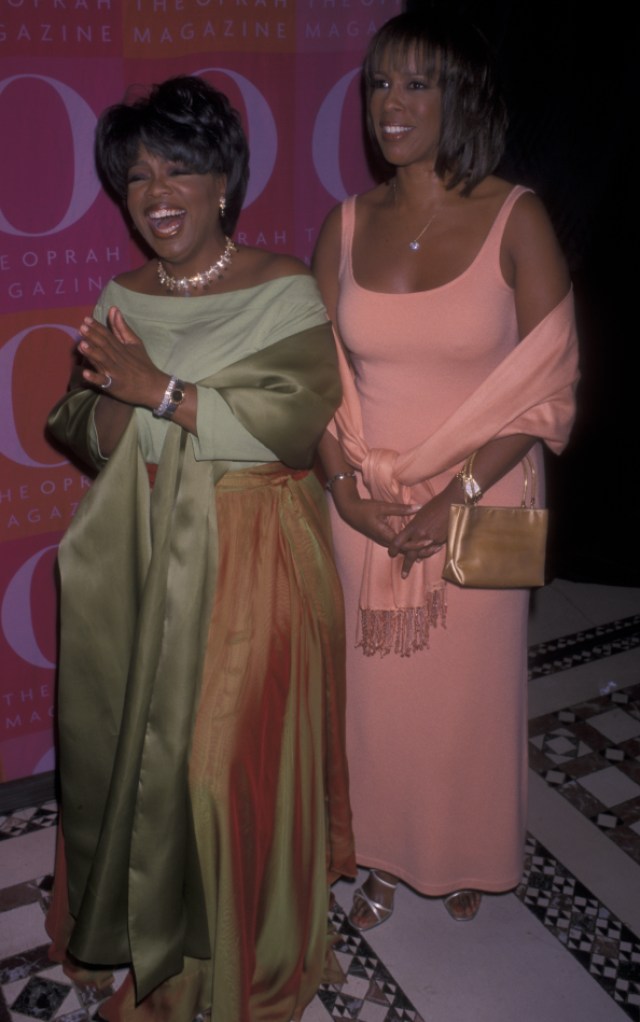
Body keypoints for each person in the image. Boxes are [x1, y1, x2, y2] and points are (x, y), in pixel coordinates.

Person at [45, 74, 355, 1021]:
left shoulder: (283, 286)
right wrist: (121, 402)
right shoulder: (122, 293)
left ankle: (239, 961)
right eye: (136, 177)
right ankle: (146, 929)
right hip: (143, 552)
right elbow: (76, 420)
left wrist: (161, 392)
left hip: (257, 552)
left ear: (225, 179)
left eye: (180, 167)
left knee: (219, 765)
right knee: (141, 755)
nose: (157, 192)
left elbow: (297, 424)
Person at [312, 11, 578, 930]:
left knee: (469, 696)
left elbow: (549, 382)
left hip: (486, 498)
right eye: (380, 83)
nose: (392, 103)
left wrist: (457, 492)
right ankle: (380, 854)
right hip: (370, 504)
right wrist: (347, 490)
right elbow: (310, 377)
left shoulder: (516, 216)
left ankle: (465, 848)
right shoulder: (344, 225)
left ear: (461, 96)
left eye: (418, 83)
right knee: (376, 701)